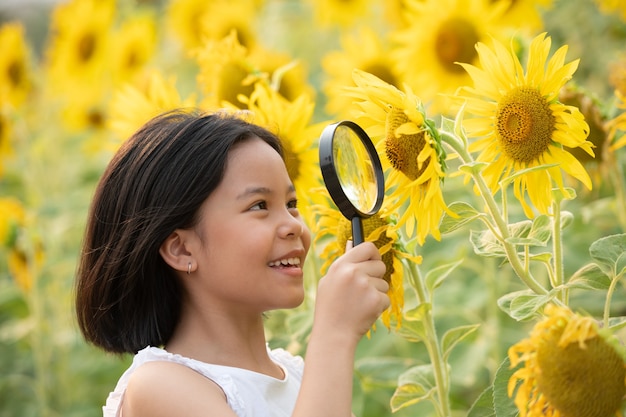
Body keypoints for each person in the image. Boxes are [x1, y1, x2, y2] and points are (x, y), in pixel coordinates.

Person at [75, 109, 390, 417]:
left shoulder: (296, 375)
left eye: (291, 204)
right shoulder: (159, 386)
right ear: (182, 250)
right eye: (259, 205)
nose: (294, 225)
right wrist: (334, 334)